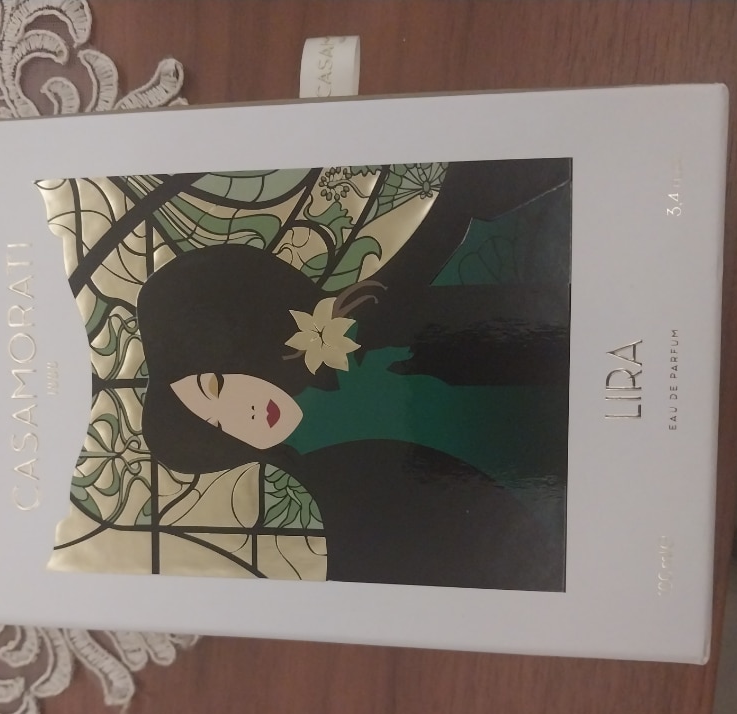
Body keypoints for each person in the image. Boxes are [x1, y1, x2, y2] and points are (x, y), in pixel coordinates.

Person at [137, 159, 571, 591]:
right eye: (215, 425)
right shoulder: (350, 514)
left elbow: (468, 201)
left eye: (217, 385)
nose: (241, 412)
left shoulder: (361, 317)